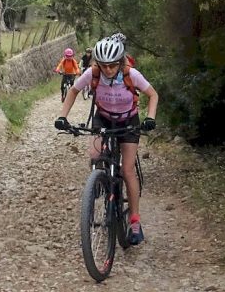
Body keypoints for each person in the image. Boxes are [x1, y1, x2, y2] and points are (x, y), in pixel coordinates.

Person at [54, 36, 158, 245]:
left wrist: (150, 118)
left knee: (127, 170)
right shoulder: (92, 73)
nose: (108, 70)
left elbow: (153, 94)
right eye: (104, 66)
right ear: (97, 64)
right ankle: (101, 180)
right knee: (94, 154)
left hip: (128, 121)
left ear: (120, 62)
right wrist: (62, 116)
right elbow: (73, 91)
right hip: (104, 118)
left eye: (112, 65)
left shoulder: (131, 74)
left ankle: (135, 222)